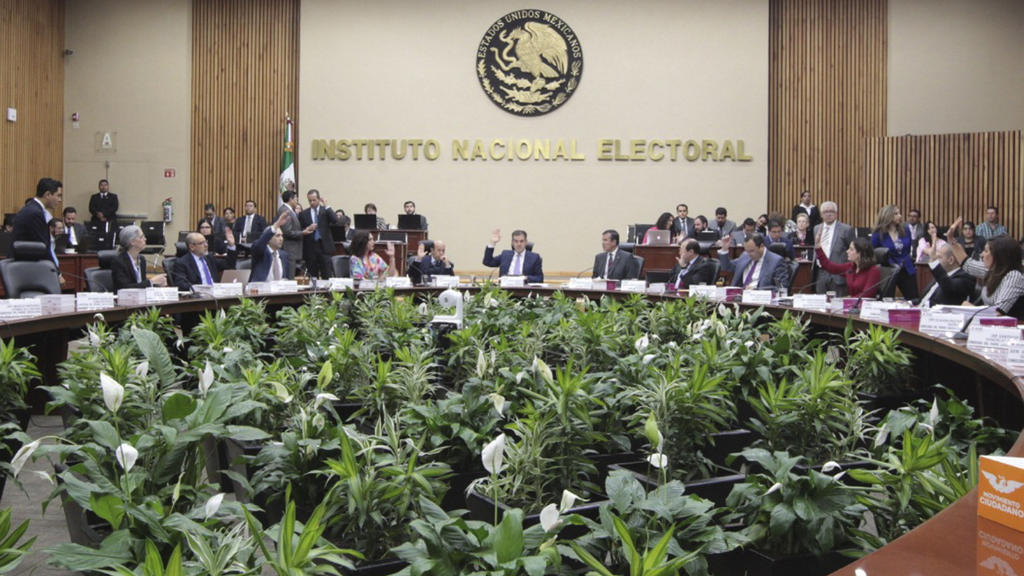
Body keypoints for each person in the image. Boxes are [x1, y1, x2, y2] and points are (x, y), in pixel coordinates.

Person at [947, 218, 1024, 318]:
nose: (982, 254)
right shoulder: (992, 269)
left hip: (1010, 326)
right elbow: (966, 263)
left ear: (999, 255)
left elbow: (997, 313)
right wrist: (951, 239)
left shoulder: (1014, 276)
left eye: (986, 251)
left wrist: (970, 308)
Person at [13, 177, 63, 269]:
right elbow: (43, 246)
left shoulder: (32, 208)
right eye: (58, 195)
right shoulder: (35, 213)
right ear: (48, 194)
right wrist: (56, 272)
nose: (60, 200)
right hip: (27, 268)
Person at [871, 204, 918, 299]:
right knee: (887, 300)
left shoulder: (905, 230)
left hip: (906, 268)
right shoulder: (878, 234)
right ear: (887, 215)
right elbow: (876, 253)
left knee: (913, 299)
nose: (900, 216)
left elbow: (907, 249)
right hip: (889, 270)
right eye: (896, 214)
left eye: (899, 213)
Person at [814, 233, 880, 299]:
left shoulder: (873, 270)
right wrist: (818, 247)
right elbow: (830, 267)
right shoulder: (851, 267)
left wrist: (846, 300)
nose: (847, 251)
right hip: (850, 303)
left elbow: (867, 295)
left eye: (851, 249)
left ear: (860, 253)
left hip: (864, 304)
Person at [171, 228, 238, 292]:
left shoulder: (210, 258)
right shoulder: (182, 263)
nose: (206, 245)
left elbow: (229, 265)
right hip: (199, 296)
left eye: (206, 242)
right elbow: (181, 284)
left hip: (216, 294)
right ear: (192, 247)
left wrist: (231, 246)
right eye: (202, 243)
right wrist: (201, 289)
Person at [717, 233, 791, 290]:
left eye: (752, 251)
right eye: (747, 251)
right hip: (739, 296)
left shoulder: (776, 261)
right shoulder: (745, 256)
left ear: (761, 246)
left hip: (759, 300)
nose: (749, 254)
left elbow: (782, 288)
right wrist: (724, 249)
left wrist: (756, 290)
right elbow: (727, 267)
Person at [813, 201, 855, 295]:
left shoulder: (846, 229)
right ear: (821, 214)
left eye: (831, 211)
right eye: (825, 212)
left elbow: (854, 251)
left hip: (838, 275)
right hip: (821, 273)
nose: (828, 214)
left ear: (836, 213)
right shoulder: (816, 228)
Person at [918, 239, 974, 307]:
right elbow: (923, 299)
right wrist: (909, 303)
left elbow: (948, 288)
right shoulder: (941, 275)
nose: (936, 260)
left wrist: (934, 262)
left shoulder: (964, 277)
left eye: (939, 257)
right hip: (919, 308)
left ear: (951, 260)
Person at [298, 189, 339, 279]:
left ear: (319, 199)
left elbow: (335, 220)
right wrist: (308, 229)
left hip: (324, 247)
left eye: (314, 200)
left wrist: (327, 205)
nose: (312, 203)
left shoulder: (325, 211)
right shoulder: (303, 214)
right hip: (310, 248)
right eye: (310, 200)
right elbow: (300, 229)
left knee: (327, 275)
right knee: (312, 276)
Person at [111, 225, 168, 290]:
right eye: (141, 237)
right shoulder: (119, 261)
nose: (145, 239)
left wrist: (157, 284)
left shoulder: (141, 259)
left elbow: (141, 285)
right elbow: (125, 288)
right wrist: (151, 282)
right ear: (132, 242)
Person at [249, 211, 294, 282]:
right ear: (268, 238)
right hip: (261, 288)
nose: (281, 239)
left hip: (280, 288)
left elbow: (285, 278)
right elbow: (260, 243)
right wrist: (277, 224)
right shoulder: (260, 252)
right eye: (277, 236)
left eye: (282, 236)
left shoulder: (283, 255)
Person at [277, 190, 314, 272]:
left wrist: (306, 229)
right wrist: (303, 232)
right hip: (289, 249)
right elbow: (287, 232)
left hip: (293, 250)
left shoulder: (290, 210)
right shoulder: (285, 211)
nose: (297, 201)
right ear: (291, 199)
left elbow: (294, 228)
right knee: (290, 275)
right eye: (296, 199)